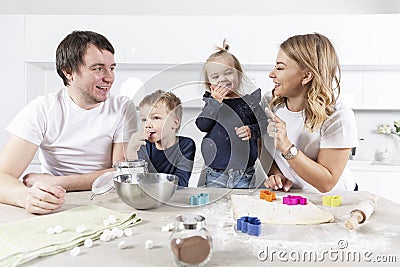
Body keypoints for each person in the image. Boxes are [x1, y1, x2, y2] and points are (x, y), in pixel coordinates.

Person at [0, 31, 137, 214]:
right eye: (98, 68)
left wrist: (56, 182)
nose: (109, 77)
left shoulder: (122, 107)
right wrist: (26, 197)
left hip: (108, 203)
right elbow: (3, 176)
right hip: (57, 203)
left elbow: (121, 174)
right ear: (68, 71)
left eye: (111, 68)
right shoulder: (42, 109)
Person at [260, 33, 359, 193]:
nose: (272, 74)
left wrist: (286, 146)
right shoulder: (270, 103)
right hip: (293, 195)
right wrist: (277, 175)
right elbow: (261, 146)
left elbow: (326, 183)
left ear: (306, 75)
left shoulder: (338, 116)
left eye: (280, 68)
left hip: (336, 199)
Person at [195, 40, 267, 188]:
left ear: (238, 76)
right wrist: (215, 103)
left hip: (244, 173)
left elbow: (264, 124)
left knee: (241, 206)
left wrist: (251, 130)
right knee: (215, 208)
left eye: (228, 73)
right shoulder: (211, 104)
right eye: (215, 77)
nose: (222, 79)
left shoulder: (248, 102)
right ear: (210, 85)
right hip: (216, 173)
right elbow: (202, 125)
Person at [127, 90, 195, 187]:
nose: (147, 125)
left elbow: (181, 182)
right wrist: (131, 152)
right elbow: (137, 181)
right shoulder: (144, 145)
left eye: (155, 118)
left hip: (174, 197)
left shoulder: (186, 145)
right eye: (144, 119)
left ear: (175, 123)